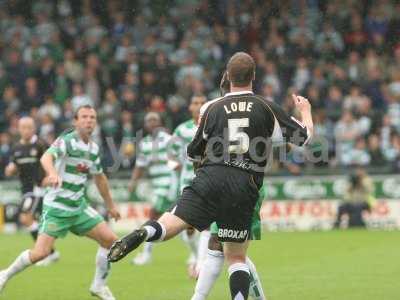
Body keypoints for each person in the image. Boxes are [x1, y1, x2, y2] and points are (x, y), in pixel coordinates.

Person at [108, 52, 313, 300]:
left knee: (168, 224)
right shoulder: (265, 106)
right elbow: (303, 138)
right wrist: (306, 111)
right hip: (243, 182)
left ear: (227, 75)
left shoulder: (212, 109)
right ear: (254, 76)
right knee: (236, 258)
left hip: (209, 177)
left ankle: (144, 233)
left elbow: (193, 152)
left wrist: (205, 175)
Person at [0, 105, 121, 300]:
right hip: (57, 207)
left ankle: (98, 286)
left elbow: (100, 178)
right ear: (75, 121)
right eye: (84, 117)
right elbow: (47, 157)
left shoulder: (93, 149)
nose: (89, 120)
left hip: (78, 208)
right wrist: (53, 172)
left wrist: (111, 205)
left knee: (111, 241)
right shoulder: (67, 141)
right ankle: (4, 274)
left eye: (92, 117)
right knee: (40, 253)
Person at [191, 72, 266, 300]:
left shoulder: (212, 109)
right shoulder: (259, 107)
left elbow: (198, 151)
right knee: (228, 247)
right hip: (249, 183)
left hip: (221, 184)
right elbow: (285, 145)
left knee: (228, 248)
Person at [4, 116, 60, 266]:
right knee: (38, 221)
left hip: (38, 189)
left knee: (25, 218)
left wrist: (51, 175)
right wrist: (10, 170)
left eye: (29, 127)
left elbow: (55, 161)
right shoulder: (16, 148)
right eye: (23, 127)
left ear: (34, 128)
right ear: (19, 129)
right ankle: (52, 252)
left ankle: (44, 253)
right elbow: (12, 168)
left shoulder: (41, 144)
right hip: (26, 189)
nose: (26, 130)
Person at [128, 112, 177, 265]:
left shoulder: (169, 139)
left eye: (155, 119)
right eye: (149, 120)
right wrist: (133, 182)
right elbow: (140, 166)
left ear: (160, 122)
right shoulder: (145, 143)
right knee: (177, 220)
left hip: (170, 183)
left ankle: (146, 254)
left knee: (153, 215)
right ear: (145, 125)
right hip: (157, 185)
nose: (152, 122)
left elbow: (179, 161)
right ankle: (197, 254)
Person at [169, 94, 208, 277]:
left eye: (202, 103)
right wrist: (173, 165)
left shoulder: (213, 126)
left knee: (207, 225)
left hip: (208, 180)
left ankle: (200, 264)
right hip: (187, 181)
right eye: (195, 103)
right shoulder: (181, 130)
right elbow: (170, 153)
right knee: (188, 226)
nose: (199, 106)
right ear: (190, 107)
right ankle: (194, 256)